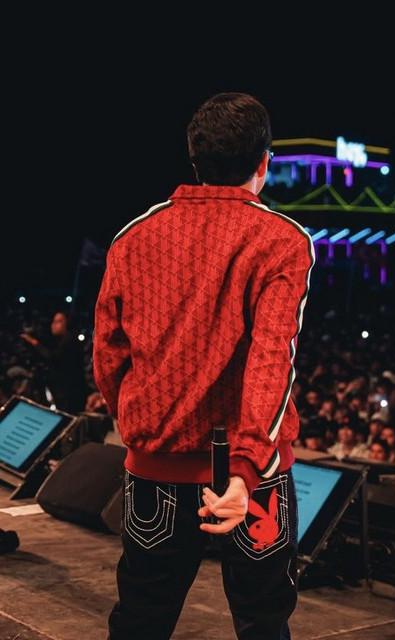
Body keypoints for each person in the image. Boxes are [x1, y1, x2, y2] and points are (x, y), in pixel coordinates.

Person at [92, 92, 316, 640]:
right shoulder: (283, 240)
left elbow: (108, 354)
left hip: (156, 469)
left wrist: (142, 424)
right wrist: (244, 471)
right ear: (264, 162)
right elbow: (271, 358)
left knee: (140, 618)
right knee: (263, 622)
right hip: (254, 479)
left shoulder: (133, 237)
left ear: (195, 159)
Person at [20, 310, 87, 413]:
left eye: (58, 321)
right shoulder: (59, 340)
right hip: (65, 391)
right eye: (53, 322)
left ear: (67, 323)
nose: (53, 325)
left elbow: (53, 358)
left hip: (69, 393)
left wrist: (33, 342)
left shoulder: (70, 340)